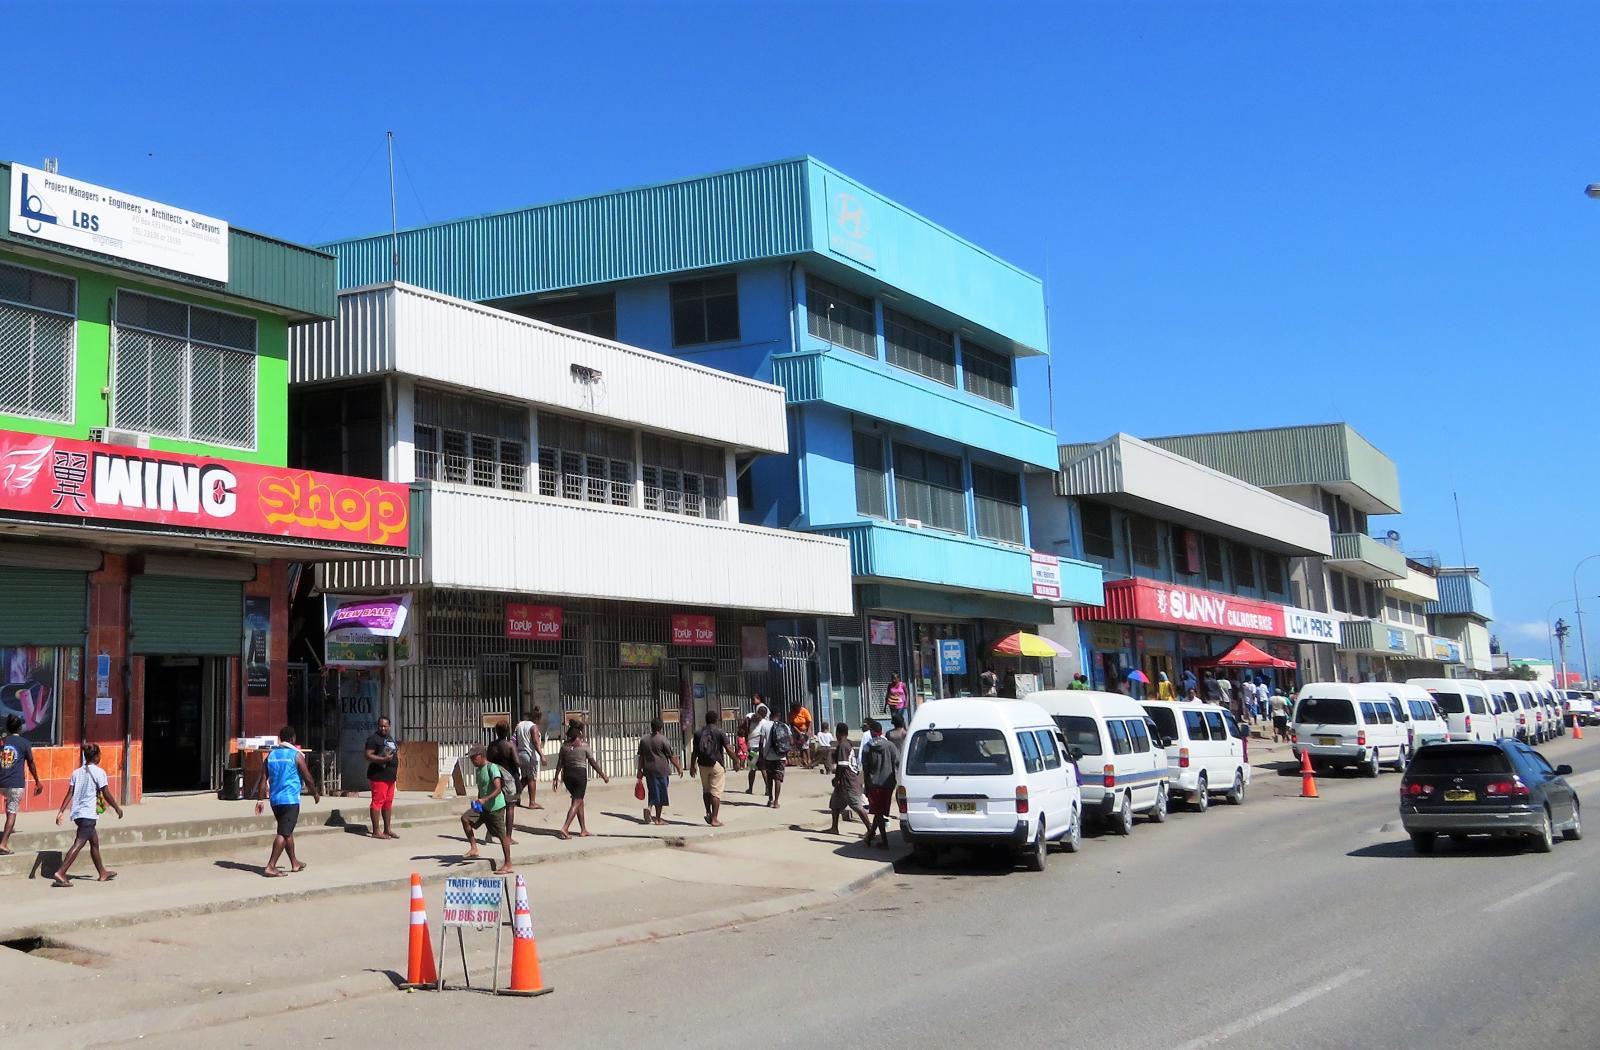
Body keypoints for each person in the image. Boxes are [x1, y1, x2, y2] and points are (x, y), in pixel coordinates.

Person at [252, 726, 320, 878]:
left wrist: (260, 799)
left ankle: (294, 863)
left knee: (287, 830)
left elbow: (263, 779)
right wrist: (314, 793)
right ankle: (271, 866)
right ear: (293, 738)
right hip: (290, 800)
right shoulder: (296, 755)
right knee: (284, 832)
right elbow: (307, 777)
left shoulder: (271, 756)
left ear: (280, 738)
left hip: (275, 800)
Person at [50, 743, 123, 886]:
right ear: (96, 756)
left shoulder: (76, 773)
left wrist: (61, 811)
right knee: (78, 843)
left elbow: (69, 793)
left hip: (78, 813)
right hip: (88, 814)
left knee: (94, 843)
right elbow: (106, 793)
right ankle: (61, 872)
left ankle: (102, 872)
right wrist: (117, 808)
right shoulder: (99, 772)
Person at [460, 746, 513, 874]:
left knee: (502, 835)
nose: (472, 760)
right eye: (470, 758)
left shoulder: (492, 768)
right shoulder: (479, 770)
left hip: (496, 807)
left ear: (481, 755)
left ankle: (508, 863)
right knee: (465, 818)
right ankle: (474, 848)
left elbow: (498, 788)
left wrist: (485, 799)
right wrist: (478, 802)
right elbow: (482, 788)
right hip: (483, 807)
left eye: (474, 757)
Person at [554, 722, 608, 839]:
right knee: (577, 801)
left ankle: (583, 829)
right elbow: (593, 763)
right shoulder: (584, 745)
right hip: (580, 776)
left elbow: (560, 763)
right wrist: (603, 775)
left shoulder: (564, 746)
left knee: (579, 801)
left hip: (567, 776)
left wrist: (555, 777)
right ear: (580, 733)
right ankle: (565, 828)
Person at [1, 713, 43, 855]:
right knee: (12, 811)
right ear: (20, 728)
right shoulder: (25, 743)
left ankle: (9, 827)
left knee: (9, 801)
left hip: (2, 781)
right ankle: (3, 843)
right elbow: (31, 764)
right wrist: (37, 781)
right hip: (15, 782)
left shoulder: (3, 741)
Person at [689, 709, 736, 826]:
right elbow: (728, 749)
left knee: (706, 790)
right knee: (716, 792)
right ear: (716, 720)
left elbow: (694, 751)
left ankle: (708, 812)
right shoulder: (720, 732)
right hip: (716, 764)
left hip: (702, 764)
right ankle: (714, 819)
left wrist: (692, 766)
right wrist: (736, 760)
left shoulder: (698, 733)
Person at [635, 717, 682, 825]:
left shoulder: (644, 740)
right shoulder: (662, 739)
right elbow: (671, 756)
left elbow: (641, 757)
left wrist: (639, 770)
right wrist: (678, 767)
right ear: (661, 727)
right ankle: (658, 819)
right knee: (660, 793)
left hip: (648, 770)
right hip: (661, 770)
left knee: (652, 790)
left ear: (651, 727)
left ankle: (649, 807)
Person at [860, 719, 900, 849]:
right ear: (881, 732)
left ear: (872, 733)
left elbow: (865, 767)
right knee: (880, 812)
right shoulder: (890, 746)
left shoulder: (867, 747)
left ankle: (881, 840)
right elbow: (898, 762)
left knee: (878, 812)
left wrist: (865, 784)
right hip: (888, 784)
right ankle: (873, 837)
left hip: (873, 783)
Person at [827, 723, 871, 835]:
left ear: (838, 733)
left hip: (848, 781)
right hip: (843, 782)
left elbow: (842, 765)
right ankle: (834, 827)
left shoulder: (843, 745)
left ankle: (870, 829)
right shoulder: (847, 743)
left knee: (856, 805)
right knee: (835, 804)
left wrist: (836, 778)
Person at [485, 721, 522, 844]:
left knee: (495, 806)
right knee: (510, 807)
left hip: (495, 777)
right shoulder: (510, 746)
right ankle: (508, 837)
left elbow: (488, 761)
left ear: (496, 731)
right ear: (507, 731)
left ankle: (489, 834)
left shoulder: (491, 746)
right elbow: (517, 762)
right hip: (509, 778)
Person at [363, 716, 399, 840]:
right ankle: (376, 831)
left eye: (385, 726)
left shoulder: (389, 738)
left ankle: (387, 829)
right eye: (380, 726)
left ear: (389, 726)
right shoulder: (373, 739)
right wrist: (383, 759)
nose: (383, 728)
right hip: (379, 775)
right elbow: (368, 755)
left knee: (388, 803)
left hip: (390, 776)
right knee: (377, 802)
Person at [760, 705, 793, 808]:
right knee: (778, 779)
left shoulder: (765, 726)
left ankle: (770, 799)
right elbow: (791, 741)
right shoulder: (785, 726)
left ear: (770, 715)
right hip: (781, 757)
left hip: (768, 757)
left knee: (769, 779)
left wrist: (761, 755)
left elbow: (761, 742)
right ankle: (776, 801)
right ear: (779, 715)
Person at [514, 709, 545, 811]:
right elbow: (536, 742)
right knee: (531, 779)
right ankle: (532, 802)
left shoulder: (520, 725)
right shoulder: (533, 727)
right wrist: (542, 756)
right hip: (530, 755)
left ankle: (515, 797)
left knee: (525, 778)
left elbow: (514, 739)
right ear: (536, 718)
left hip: (520, 754)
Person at [746, 704, 772, 795]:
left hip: (753, 747)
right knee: (763, 768)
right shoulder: (765, 722)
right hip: (761, 748)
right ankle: (768, 789)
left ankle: (750, 788)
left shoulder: (751, 717)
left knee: (752, 768)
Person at [789, 701, 814, 769]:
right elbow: (792, 724)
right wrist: (799, 733)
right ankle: (804, 760)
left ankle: (809, 759)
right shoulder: (792, 713)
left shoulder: (804, 711)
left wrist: (808, 731)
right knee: (801, 747)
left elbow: (809, 721)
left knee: (806, 746)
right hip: (797, 731)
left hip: (805, 730)